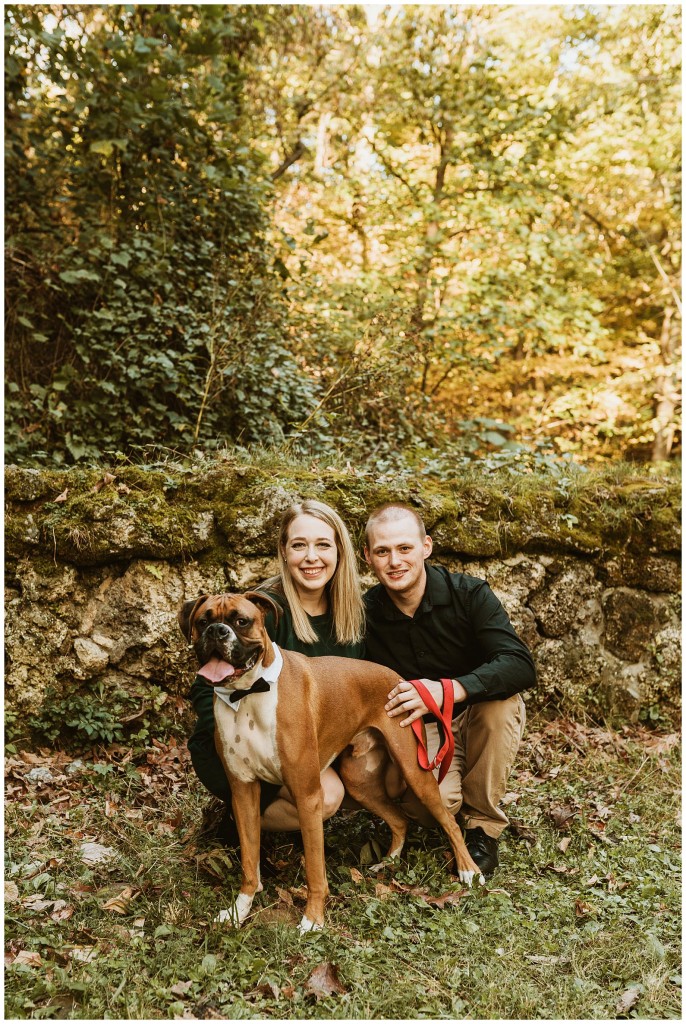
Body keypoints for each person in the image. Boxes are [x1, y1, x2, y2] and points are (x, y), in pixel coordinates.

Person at [362, 502, 536, 878]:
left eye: (405, 548)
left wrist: (449, 689)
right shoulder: (364, 615)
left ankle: (482, 827)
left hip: (474, 711)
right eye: (383, 551)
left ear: (425, 546)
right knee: (432, 807)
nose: (395, 561)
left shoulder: (469, 595)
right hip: (420, 727)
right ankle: (448, 804)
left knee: (502, 705)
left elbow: (520, 664)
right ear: (368, 557)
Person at [187, 498, 365, 841]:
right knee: (327, 797)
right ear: (284, 552)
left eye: (323, 545)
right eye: (299, 545)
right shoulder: (259, 611)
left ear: (340, 551)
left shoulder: (354, 610)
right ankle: (236, 826)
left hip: (311, 740)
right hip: (248, 742)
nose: (311, 556)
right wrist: (234, 745)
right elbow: (205, 686)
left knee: (365, 774)